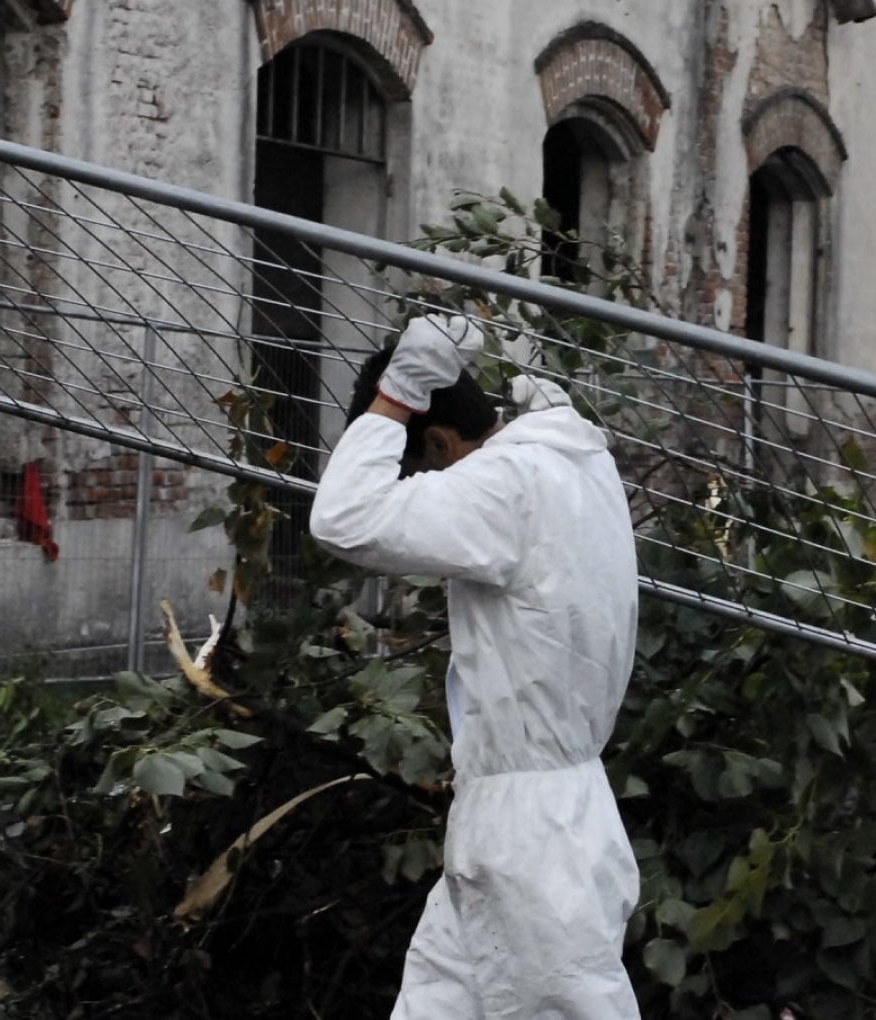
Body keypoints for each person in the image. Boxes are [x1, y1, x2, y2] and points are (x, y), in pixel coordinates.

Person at [309, 314, 642, 1018]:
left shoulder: (503, 483)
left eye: (420, 475)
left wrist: (395, 395)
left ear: (435, 441)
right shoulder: (568, 460)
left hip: (531, 834)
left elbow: (343, 517)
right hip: (536, 812)